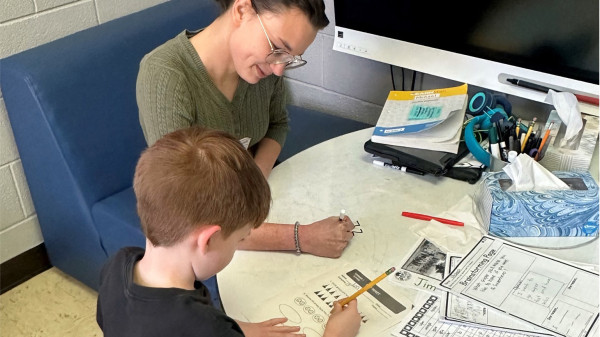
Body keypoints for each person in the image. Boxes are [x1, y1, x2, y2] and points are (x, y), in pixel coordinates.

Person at [136, 0, 354, 259]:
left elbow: (278, 125)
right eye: (278, 48)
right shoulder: (166, 76)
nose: (278, 68)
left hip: (252, 198)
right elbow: (191, 216)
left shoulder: (264, 69)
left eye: (290, 57)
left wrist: (254, 184)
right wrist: (301, 236)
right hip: (207, 222)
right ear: (241, 10)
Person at [96, 126, 362, 337]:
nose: (238, 245)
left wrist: (235, 329)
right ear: (208, 240)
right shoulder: (205, 328)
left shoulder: (118, 264)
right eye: (239, 239)